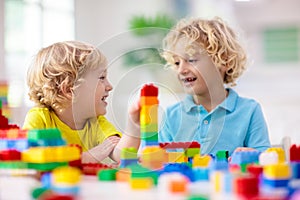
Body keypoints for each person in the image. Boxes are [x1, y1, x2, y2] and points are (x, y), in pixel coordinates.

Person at [159, 17, 270, 156]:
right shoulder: (171, 117)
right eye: (176, 63)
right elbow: (162, 167)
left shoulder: (250, 111)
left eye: (191, 60)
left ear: (224, 60)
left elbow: (265, 160)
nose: (181, 69)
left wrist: (252, 156)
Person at [23, 41, 141, 163]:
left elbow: (121, 155)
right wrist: (90, 156)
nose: (109, 86)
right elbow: (29, 156)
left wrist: (134, 126)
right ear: (69, 89)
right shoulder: (40, 118)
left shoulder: (96, 122)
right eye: (101, 78)